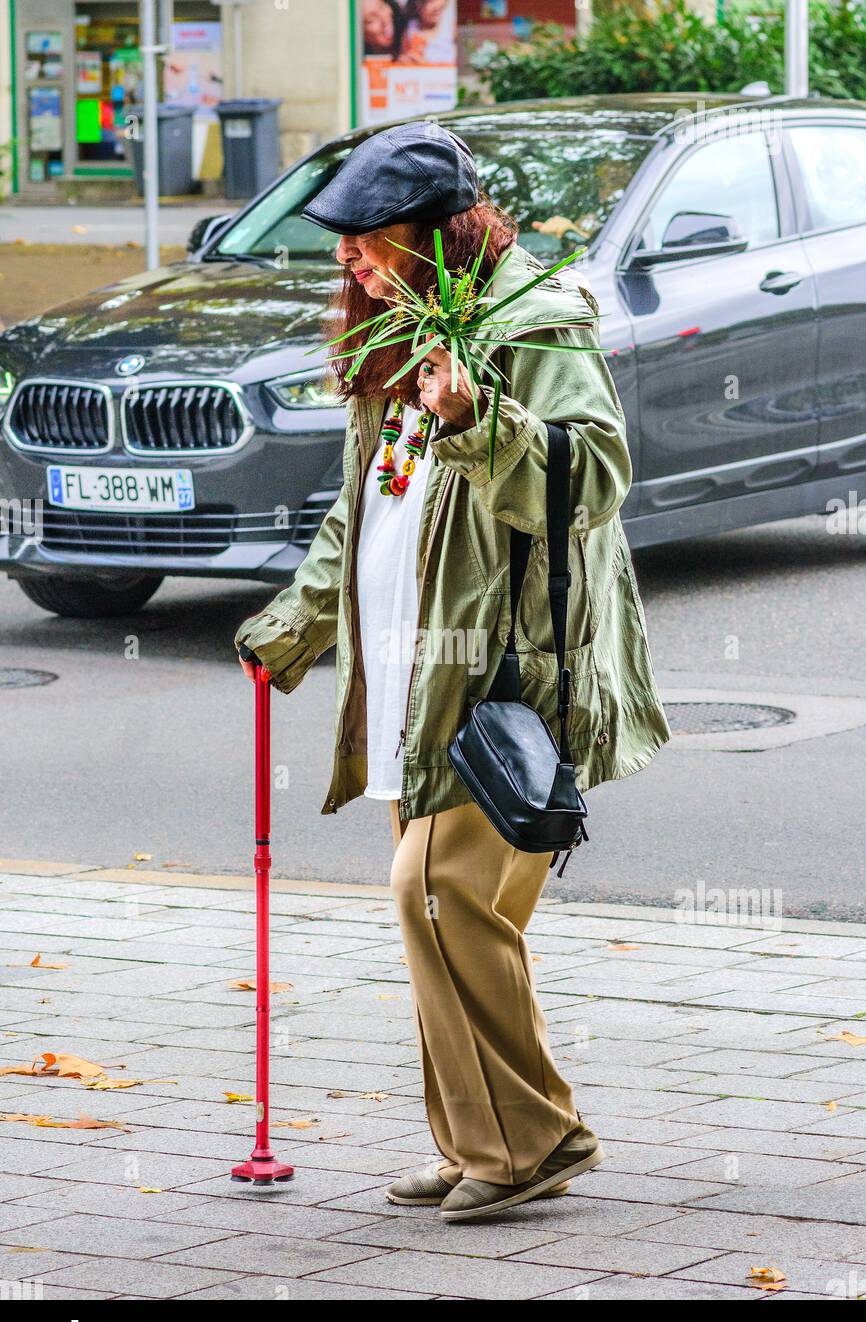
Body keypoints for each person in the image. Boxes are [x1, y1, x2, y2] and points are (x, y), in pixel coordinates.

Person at [235, 121, 671, 1223]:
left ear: (437, 236)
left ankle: (532, 1137)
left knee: (433, 894)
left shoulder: (534, 326)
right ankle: (475, 1135)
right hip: (409, 685)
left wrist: (481, 420)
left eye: (367, 241)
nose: (347, 263)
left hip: (505, 680)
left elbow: (593, 480)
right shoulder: (395, 331)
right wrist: (293, 625)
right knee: (449, 913)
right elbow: (362, 508)